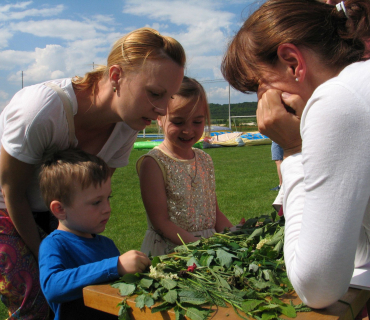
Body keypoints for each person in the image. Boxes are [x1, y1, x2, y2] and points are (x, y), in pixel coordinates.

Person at [0, 27, 185, 319]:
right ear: (116, 76)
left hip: (61, 210)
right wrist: (44, 254)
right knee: (36, 300)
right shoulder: (42, 110)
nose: (162, 110)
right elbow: (12, 191)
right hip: (8, 208)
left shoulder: (127, 125)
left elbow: (94, 190)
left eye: (169, 97)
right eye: (154, 93)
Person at [221, 0, 370, 309]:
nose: (265, 102)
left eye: (261, 85)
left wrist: (294, 149)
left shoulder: (337, 99)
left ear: (292, 62)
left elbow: (317, 286)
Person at [38, 148, 151, 320]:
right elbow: (53, 287)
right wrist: (115, 266)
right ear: (60, 209)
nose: (107, 209)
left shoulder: (107, 245)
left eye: (108, 198)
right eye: (96, 202)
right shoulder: (54, 244)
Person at [137, 76, 238, 256]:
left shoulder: (205, 159)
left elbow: (213, 212)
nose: (188, 130)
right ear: (159, 117)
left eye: (197, 122)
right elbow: (161, 222)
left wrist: (235, 237)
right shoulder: (153, 163)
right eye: (178, 122)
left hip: (207, 246)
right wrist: (200, 247)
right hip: (173, 250)